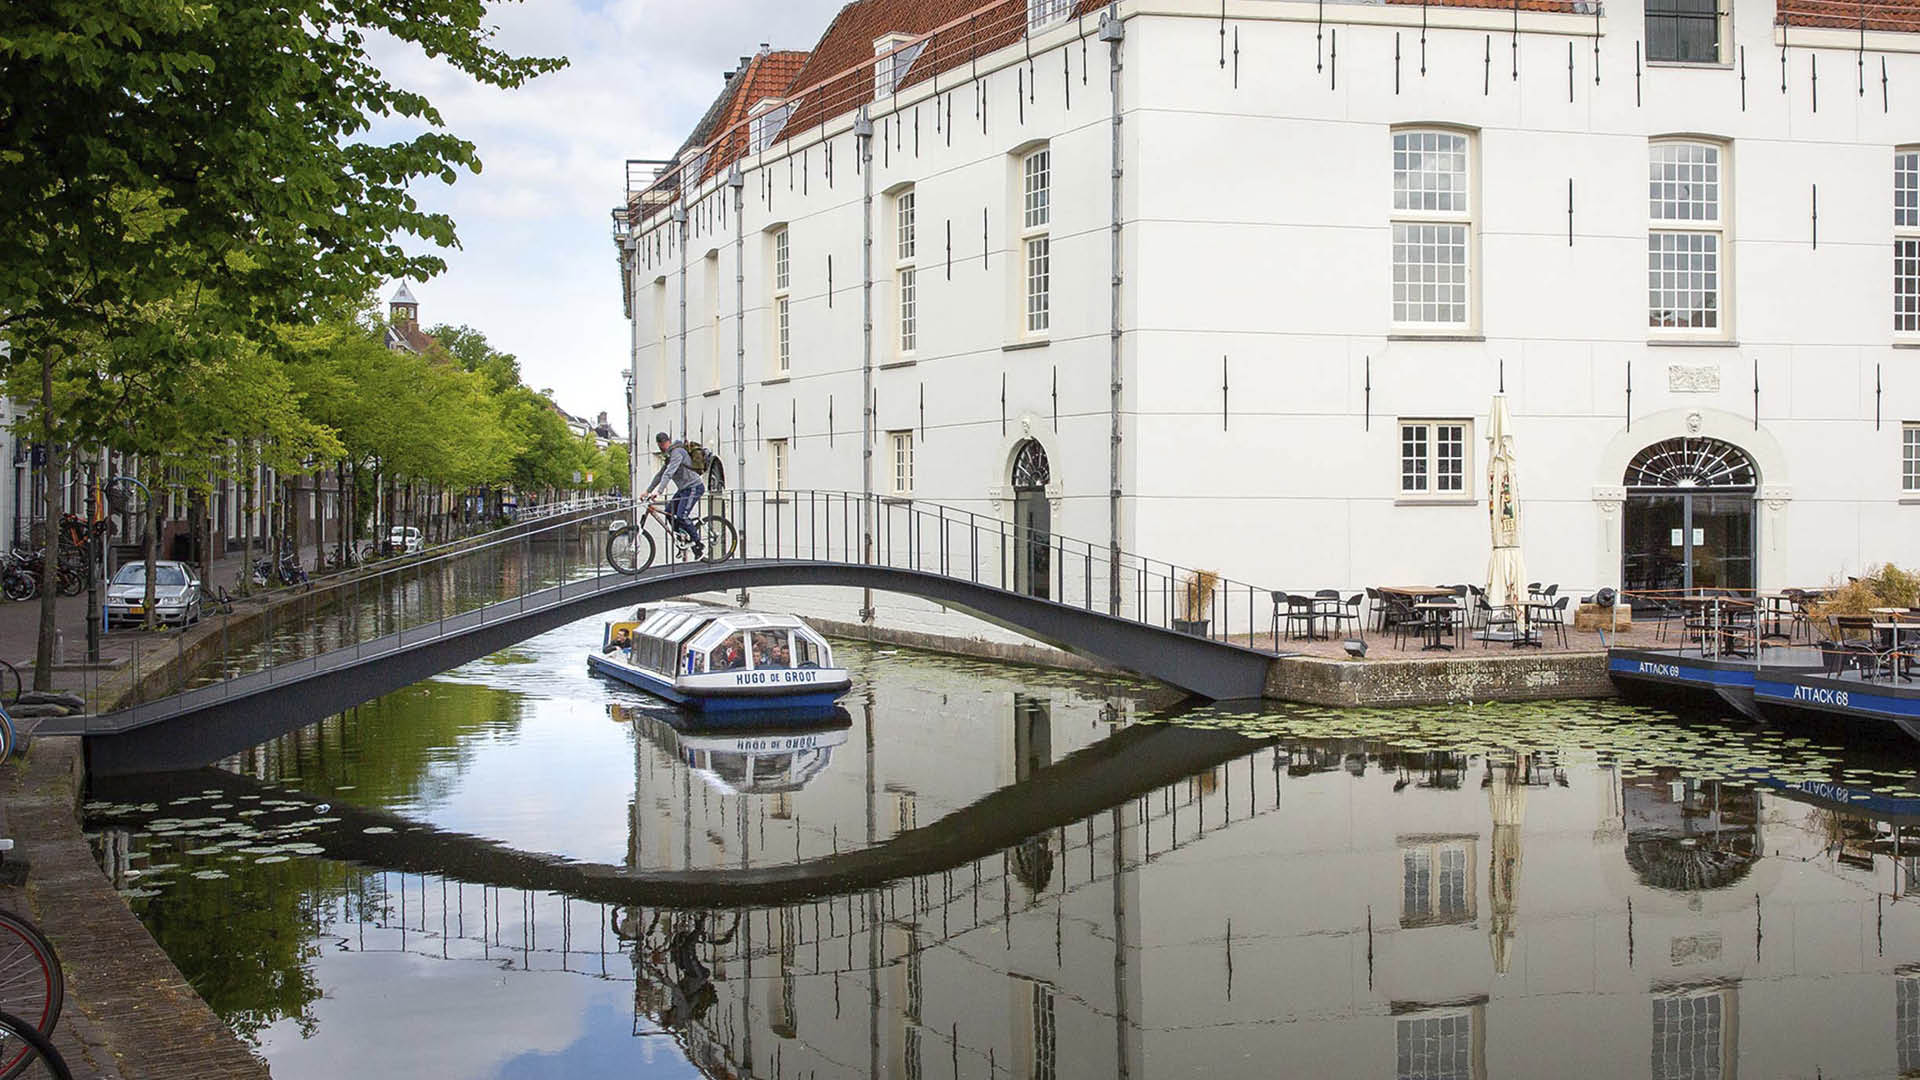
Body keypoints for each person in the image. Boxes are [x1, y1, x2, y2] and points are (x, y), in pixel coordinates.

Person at [644, 432, 704, 557]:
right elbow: (660, 475)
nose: (662, 447)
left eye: (662, 445)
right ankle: (682, 540)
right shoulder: (669, 456)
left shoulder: (677, 453)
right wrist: (648, 491)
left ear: (667, 442)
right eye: (660, 445)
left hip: (694, 487)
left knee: (682, 516)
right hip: (683, 489)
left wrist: (659, 492)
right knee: (669, 512)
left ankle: (698, 543)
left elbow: (669, 473)